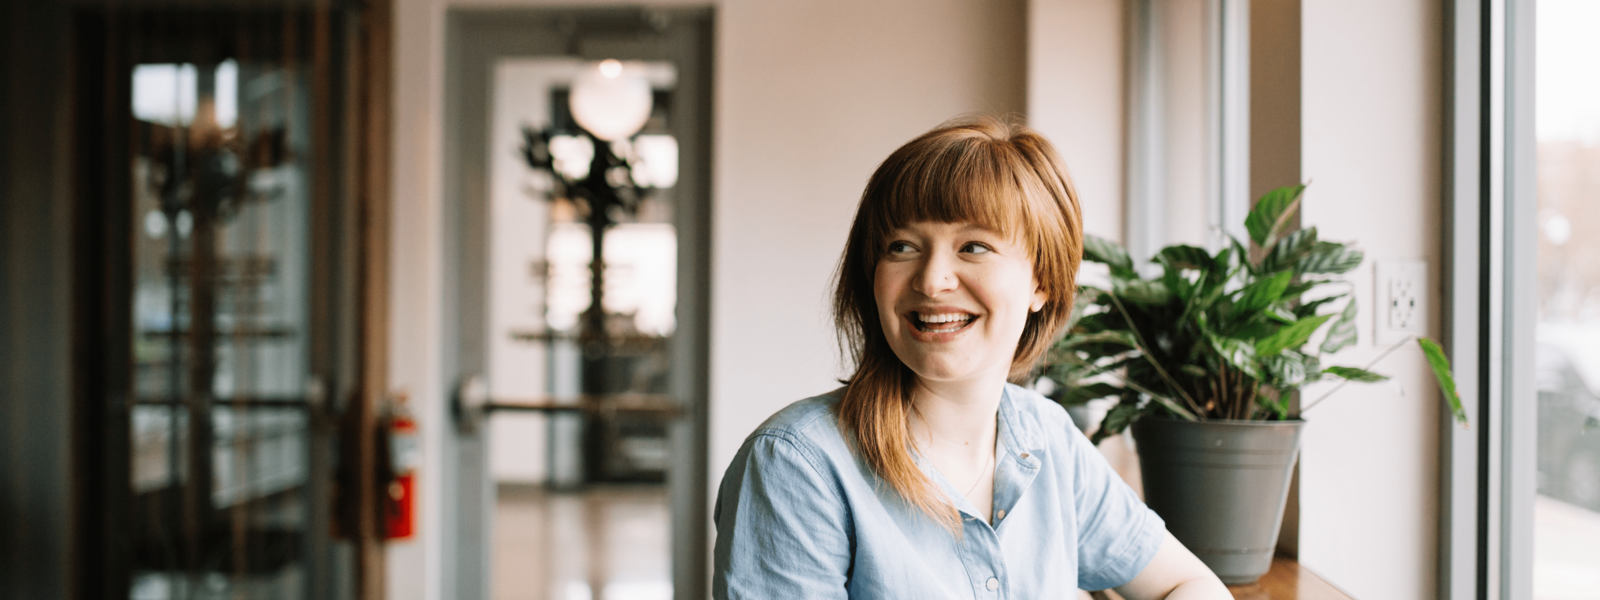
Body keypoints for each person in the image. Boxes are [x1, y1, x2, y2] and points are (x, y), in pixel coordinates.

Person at [711, 117, 1230, 599]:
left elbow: (1185, 583)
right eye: (901, 247)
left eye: (974, 247)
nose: (932, 280)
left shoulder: (1048, 438)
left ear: (1042, 282)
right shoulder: (797, 464)